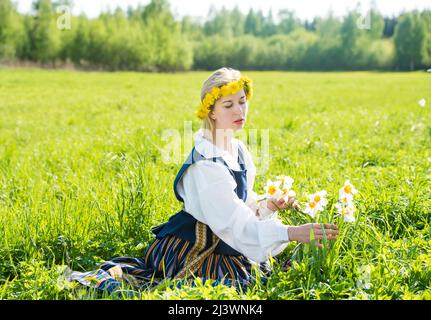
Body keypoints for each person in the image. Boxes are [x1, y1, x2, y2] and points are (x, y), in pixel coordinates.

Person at [68, 67, 339, 294]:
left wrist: (267, 205)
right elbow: (234, 223)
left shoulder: (238, 149)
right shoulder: (207, 164)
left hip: (226, 235)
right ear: (211, 111)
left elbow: (240, 203)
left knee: (266, 270)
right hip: (195, 245)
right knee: (232, 284)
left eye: (242, 101)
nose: (239, 111)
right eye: (228, 105)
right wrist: (291, 232)